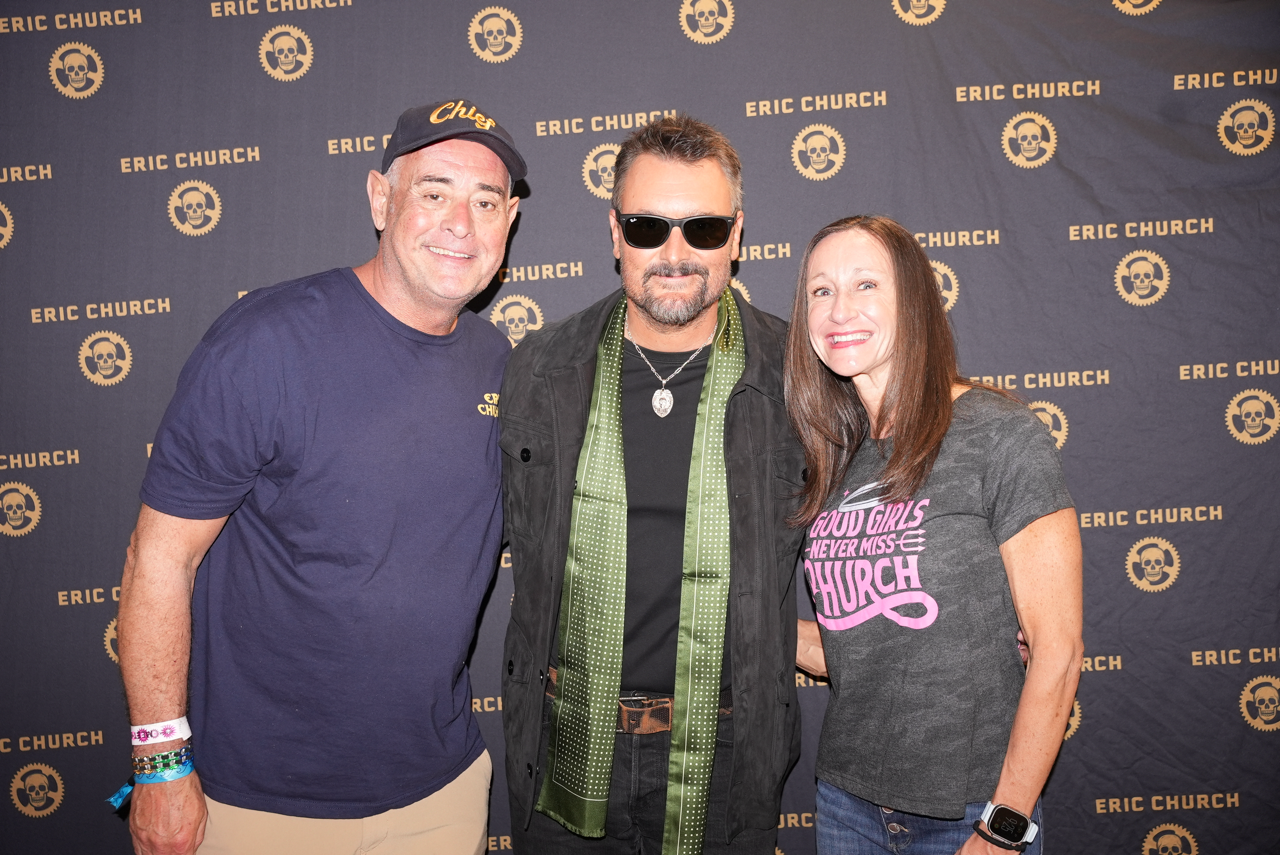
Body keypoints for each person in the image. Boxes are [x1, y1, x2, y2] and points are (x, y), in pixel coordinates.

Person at [116, 99, 525, 855]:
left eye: (485, 201)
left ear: (510, 221)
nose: (460, 224)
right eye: (434, 192)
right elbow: (159, 558)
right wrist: (161, 763)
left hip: (441, 792)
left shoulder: (502, 365)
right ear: (380, 199)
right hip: (259, 806)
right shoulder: (266, 344)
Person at [499, 114, 807, 854]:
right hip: (565, 738)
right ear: (615, 233)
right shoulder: (542, 368)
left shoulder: (799, 375)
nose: (675, 254)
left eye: (703, 229)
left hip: (729, 751)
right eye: (647, 227)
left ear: (736, 236)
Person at [785, 215, 1084, 854]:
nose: (839, 309)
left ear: (914, 300)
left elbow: (1057, 652)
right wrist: (729, 619)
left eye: (866, 285)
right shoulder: (834, 458)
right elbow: (855, 646)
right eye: (821, 290)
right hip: (846, 805)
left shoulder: (998, 433)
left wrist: (1003, 826)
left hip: (970, 812)